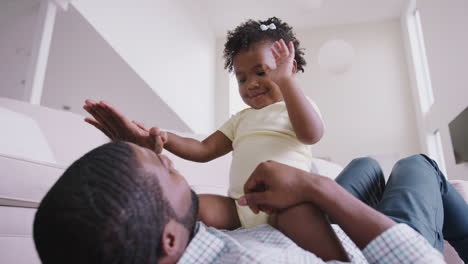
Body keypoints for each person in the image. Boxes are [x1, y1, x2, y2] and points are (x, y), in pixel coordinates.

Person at [82, 17, 343, 260]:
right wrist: (163, 137)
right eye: (242, 78)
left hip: (286, 203)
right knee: (195, 204)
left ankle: (341, 258)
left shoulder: (295, 106)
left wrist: (287, 83)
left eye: (261, 73)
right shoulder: (240, 119)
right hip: (241, 207)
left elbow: (311, 134)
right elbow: (203, 148)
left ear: (290, 68)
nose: (251, 83)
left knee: (304, 217)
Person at [34, 141, 461, 263]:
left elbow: (184, 213)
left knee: (367, 164)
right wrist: (317, 189)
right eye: (162, 169)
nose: (168, 160)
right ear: (167, 239)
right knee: (418, 164)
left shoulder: (169, 242)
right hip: (367, 251)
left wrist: (140, 153)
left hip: (305, 234)